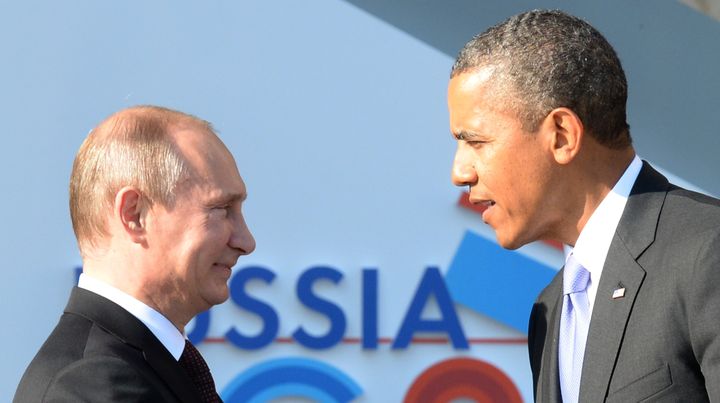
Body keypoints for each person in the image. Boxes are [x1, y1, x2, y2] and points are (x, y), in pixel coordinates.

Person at [448, 10, 720, 403]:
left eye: (475, 142)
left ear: (561, 136)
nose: (460, 172)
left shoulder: (707, 253)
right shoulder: (551, 307)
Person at [14, 106, 256, 402]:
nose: (246, 242)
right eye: (220, 209)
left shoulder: (138, 366)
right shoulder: (97, 384)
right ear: (134, 215)